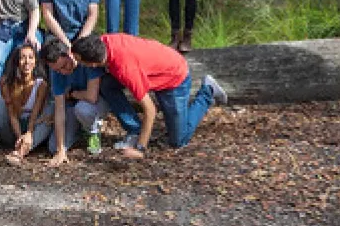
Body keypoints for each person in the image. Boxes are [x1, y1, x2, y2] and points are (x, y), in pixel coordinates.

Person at [71, 33, 228, 158]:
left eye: (81, 61)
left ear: (93, 63)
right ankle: (135, 129)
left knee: (179, 140)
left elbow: (150, 110)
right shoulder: (103, 42)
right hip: (150, 70)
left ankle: (208, 91)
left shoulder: (125, 68)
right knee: (107, 84)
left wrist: (141, 149)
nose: (79, 64)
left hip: (173, 78)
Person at [40, 38, 113, 165]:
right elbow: (59, 109)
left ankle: (93, 131)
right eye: (58, 70)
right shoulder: (57, 73)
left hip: (95, 103)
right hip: (72, 106)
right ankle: (79, 131)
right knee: (54, 147)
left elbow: (91, 96)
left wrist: (73, 94)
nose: (63, 72)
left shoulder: (85, 61)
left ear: (69, 54)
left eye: (64, 66)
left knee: (83, 109)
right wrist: (61, 149)